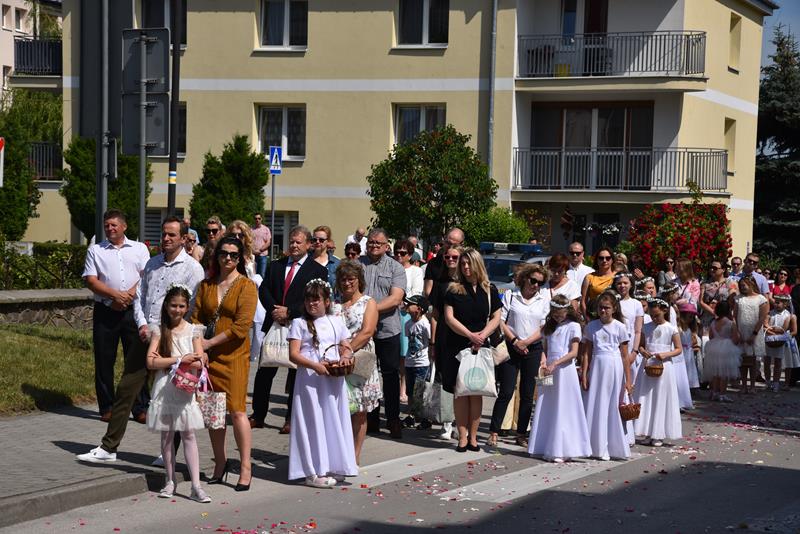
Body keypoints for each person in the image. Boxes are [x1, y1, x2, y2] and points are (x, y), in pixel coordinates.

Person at [77, 217, 205, 464]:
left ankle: (168, 454)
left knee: (174, 395)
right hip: (146, 334)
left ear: (183, 238)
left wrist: (171, 332)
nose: (165, 239)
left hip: (173, 338)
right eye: (164, 234)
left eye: (171, 235)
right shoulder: (152, 263)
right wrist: (143, 324)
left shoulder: (192, 269)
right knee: (126, 389)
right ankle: (108, 447)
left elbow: (190, 308)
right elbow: (140, 297)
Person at [192, 236, 258, 491]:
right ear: (216, 256)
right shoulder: (206, 285)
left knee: (237, 411)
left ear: (240, 258)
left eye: (233, 254)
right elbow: (196, 319)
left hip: (234, 357)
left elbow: (241, 327)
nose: (228, 258)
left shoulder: (247, 286)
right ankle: (220, 463)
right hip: (209, 358)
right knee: (214, 414)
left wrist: (209, 343)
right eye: (223, 253)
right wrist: (201, 350)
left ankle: (245, 467)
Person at [251, 226, 328, 433]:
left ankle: (290, 419)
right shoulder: (276, 266)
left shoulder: (318, 270)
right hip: (274, 324)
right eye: (291, 241)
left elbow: (315, 300)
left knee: (295, 375)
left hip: (299, 326)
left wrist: (290, 312)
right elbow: (264, 290)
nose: (294, 245)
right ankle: (258, 415)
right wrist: (275, 310)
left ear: (308, 245)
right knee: (264, 372)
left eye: (298, 242)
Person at [287, 279, 358, 488]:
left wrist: (345, 356)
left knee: (332, 418)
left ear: (327, 301)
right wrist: (314, 365)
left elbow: (346, 346)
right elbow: (293, 354)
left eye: (316, 299)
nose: (311, 304)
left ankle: (334, 465)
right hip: (310, 379)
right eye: (308, 300)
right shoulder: (299, 323)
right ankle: (312, 471)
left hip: (332, 378)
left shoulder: (336, 321)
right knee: (313, 420)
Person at [82, 209, 150, 422]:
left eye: (114, 225)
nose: (110, 229)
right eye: (107, 226)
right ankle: (107, 407)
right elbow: (91, 280)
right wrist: (114, 296)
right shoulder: (96, 250)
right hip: (106, 310)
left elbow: (146, 276)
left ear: (124, 226)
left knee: (136, 361)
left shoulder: (139, 249)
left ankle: (140, 407)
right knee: (104, 360)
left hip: (132, 311)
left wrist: (128, 296)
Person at [145, 284, 211, 503]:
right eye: (173, 305)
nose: (177, 310)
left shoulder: (193, 331)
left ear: (187, 307)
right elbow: (151, 361)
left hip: (184, 387)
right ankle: (170, 480)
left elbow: (200, 361)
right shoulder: (159, 331)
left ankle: (196, 485)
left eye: (182, 306)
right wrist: (180, 359)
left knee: (188, 434)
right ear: (166, 306)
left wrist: (190, 360)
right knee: (167, 435)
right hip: (164, 386)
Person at [443, 248, 502, 452]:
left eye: (469, 263)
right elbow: (449, 318)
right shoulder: (453, 289)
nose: (466, 267)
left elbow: (496, 317)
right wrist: (470, 335)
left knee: (476, 390)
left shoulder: (489, 290)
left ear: (478, 264)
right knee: (460, 392)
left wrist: (482, 335)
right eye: (463, 264)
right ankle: (462, 436)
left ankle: (474, 437)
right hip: (457, 344)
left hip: (480, 345)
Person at [489, 263, 549, 448]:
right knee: (506, 391)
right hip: (511, 346)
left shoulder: (543, 299)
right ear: (525, 278)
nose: (536, 285)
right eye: (533, 280)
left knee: (527, 394)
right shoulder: (511, 295)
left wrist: (526, 342)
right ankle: (494, 431)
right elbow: (501, 321)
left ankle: (521, 433)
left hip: (533, 348)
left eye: (540, 283)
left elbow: (544, 327)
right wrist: (515, 341)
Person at [528, 295, 590, 463]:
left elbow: (573, 353)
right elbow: (545, 349)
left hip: (564, 370)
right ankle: (544, 445)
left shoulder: (573, 326)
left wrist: (555, 363)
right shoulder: (549, 327)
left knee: (564, 406)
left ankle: (563, 448)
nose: (557, 317)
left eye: (560, 313)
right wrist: (544, 361)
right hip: (549, 370)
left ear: (567, 311)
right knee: (548, 404)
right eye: (554, 314)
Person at [332, 260, 380, 465]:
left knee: (359, 411)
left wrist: (348, 350)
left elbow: (367, 331)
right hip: (336, 362)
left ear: (359, 280)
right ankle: (339, 453)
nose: (347, 283)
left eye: (351, 279)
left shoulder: (369, 302)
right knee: (339, 409)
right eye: (343, 279)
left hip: (360, 361)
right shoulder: (333, 304)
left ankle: (355, 455)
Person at [361, 228, 407, 438]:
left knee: (389, 375)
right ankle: (370, 418)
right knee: (365, 374)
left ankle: (393, 419)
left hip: (388, 329)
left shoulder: (396, 268)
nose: (373, 246)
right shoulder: (357, 265)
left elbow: (396, 298)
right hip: (362, 330)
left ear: (387, 246)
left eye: (378, 243)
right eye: (371, 242)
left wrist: (369, 310)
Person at [581, 291, 631, 460]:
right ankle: (595, 445)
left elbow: (625, 356)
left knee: (611, 404)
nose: (603, 311)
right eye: (601, 307)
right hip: (597, 366)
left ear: (614, 308)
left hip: (614, 366)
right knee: (596, 403)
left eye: (607, 308)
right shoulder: (591, 326)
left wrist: (628, 380)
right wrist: (584, 374)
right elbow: (586, 353)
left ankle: (612, 446)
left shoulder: (620, 327)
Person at [635, 298, 683, 447]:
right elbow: (641, 345)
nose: (654, 318)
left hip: (664, 366)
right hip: (649, 365)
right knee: (647, 397)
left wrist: (665, 354)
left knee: (661, 398)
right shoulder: (646, 327)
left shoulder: (671, 328)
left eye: (657, 315)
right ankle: (647, 432)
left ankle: (658, 434)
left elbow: (678, 349)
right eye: (652, 315)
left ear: (664, 311)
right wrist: (643, 351)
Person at [428, 245, 462, 440]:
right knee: (446, 380)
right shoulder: (440, 282)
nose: (450, 260)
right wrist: (432, 342)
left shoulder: (467, 282)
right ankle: (447, 423)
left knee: (461, 381)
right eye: (447, 256)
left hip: (463, 336)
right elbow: (435, 314)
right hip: (443, 335)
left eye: (454, 257)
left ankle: (461, 423)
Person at [395, 239, 424, 402]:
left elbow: (416, 292)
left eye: (403, 253)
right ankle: (397, 387)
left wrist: (403, 301)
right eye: (397, 252)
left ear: (410, 255)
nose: (399, 255)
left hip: (406, 314)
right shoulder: (391, 268)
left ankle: (404, 387)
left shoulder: (416, 271)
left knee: (406, 354)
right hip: (392, 313)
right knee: (396, 354)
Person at [734, 276, 768, 394]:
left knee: (753, 361)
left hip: (754, 333)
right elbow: (735, 317)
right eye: (741, 286)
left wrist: (754, 334)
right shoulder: (738, 299)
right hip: (742, 332)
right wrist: (737, 332)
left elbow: (762, 318)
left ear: (751, 284)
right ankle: (743, 385)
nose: (742, 287)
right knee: (743, 361)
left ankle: (753, 386)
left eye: (744, 285)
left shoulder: (761, 299)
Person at [402, 294, 431, 428]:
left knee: (420, 391)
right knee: (410, 391)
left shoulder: (425, 324)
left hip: (422, 362)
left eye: (410, 304)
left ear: (419, 309)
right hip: (410, 361)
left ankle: (425, 418)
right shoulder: (408, 324)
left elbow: (429, 341)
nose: (407, 305)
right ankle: (411, 416)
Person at [704, 300, 740, 402]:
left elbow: (711, 337)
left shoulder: (713, 322)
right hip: (727, 348)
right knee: (724, 372)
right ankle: (722, 394)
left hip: (714, 347)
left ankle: (714, 392)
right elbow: (736, 339)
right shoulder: (730, 323)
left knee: (716, 372)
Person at [423, 228, 465, 298]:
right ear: (444, 240)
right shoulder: (434, 263)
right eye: (448, 243)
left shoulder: (466, 264)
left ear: (461, 244)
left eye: (454, 245)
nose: (450, 247)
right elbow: (428, 291)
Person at [699, 261, 736, 335]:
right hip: (707, 318)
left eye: (715, 268)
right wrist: (715, 313)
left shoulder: (731, 282)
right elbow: (700, 301)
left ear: (723, 269)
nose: (712, 269)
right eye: (711, 267)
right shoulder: (705, 282)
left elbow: (732, 300)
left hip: (725, 317)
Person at [765, 294, 792, 392]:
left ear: (785, 304)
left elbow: (783, 329)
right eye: (775, 302)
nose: (775, 304)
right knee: (767, 361)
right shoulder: (770, 313)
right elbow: (765, 324)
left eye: (778, 303)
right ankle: (768, 382)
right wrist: (772, 331)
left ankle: (776, 383)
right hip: (769, 339)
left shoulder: (787, 315)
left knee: (778, 362)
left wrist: (771, 329)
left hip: (780, 340)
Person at [580, 247, 615, 320]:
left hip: (614, 317)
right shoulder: (589, 277)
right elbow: (583, 301)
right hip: (595, 316)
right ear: (597, 260)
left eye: (608, 258)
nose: (604, 260)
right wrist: (587, 319)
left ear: (612, 260)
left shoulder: (617, 276)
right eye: (601, 258)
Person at [674, 303, 698, 409]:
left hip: (689, 353)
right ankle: (681, 397)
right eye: (689, 316)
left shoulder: (689, 328)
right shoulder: (679, 328)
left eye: (692, 317)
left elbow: (692, 341)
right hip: (682, 352)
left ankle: (686, 396)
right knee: (682, 375)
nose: (691, 319)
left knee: (689, 374)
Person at [252, 213, 272, 279]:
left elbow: (268, 242)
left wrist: (260, 250)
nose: (257, 220)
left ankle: (262, 286)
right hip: (253, 256)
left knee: (262, 275)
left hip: (263, 256)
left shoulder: (266, 229)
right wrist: (253, 251)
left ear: (261, 219)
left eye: (259, 218)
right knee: (253, 275)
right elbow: (248, 242)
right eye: (255, 218)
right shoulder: (251, 230)